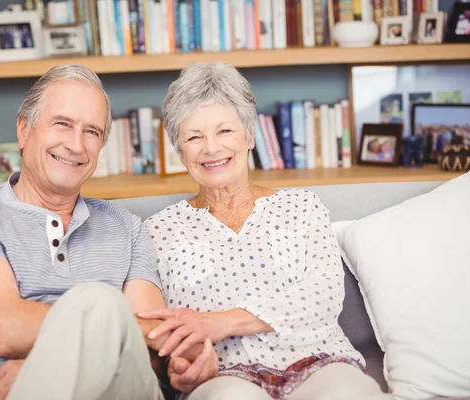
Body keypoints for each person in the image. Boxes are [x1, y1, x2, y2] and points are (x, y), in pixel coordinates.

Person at [0, 64, 217, 400]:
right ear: (24, 129)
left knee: (99, 305)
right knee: (97, 302)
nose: (76, 145)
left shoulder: (127, 227)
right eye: (62, 124)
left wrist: (58, 367)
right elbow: (5, 330)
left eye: (92, 132)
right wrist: (114, 333)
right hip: (3, 391)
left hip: (113, 390)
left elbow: (151, 356)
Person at [139, 62, 393, 400]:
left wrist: (220, 323)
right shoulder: (157, 231)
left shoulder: (302, 206)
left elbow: (325, 295)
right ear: (179, 150)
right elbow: (157, 331)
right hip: (223, 376)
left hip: (319, 362)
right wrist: (176, 371)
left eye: (224, 131)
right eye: (194, 137)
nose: (211, 148)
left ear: (249, 135)